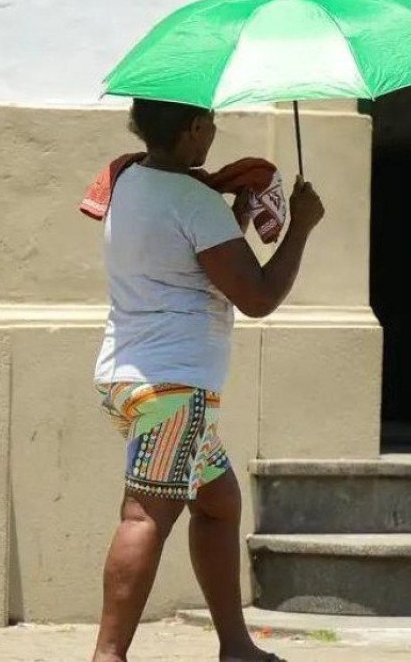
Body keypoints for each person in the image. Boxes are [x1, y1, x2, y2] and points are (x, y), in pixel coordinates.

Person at [91, 98, 326, 662]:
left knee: (218, 502)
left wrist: (235, 216)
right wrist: (300, 229)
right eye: (211, 123)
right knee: (145, 515)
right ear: (194, 129)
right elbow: (258, 296)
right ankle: (108, 655)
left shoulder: (128, 181)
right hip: (176, 387)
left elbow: (192, 264)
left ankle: (235, 645)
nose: (216, 132)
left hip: (130, 377)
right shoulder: (195, 200)